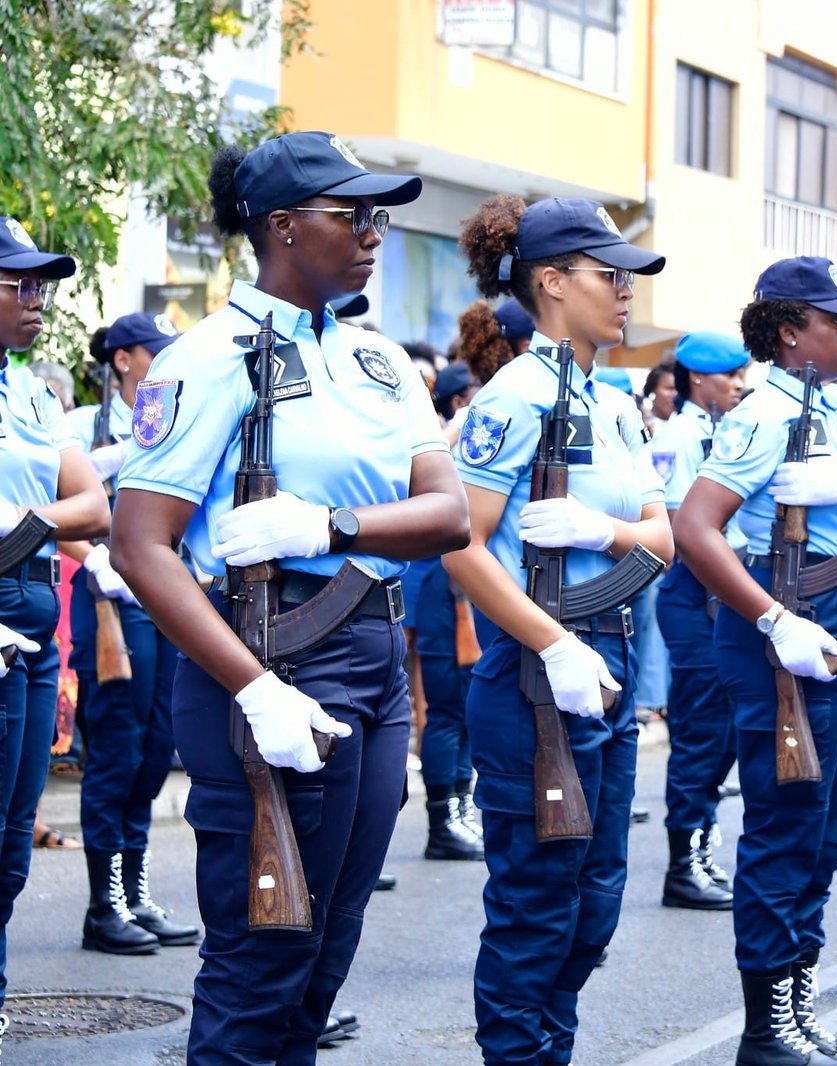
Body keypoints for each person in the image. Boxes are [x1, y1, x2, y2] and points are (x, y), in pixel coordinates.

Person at [110, 132, 470, 1062]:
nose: (372, 232)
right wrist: (252, 689)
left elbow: (449, 515)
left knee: (324, 956)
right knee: (259, 959)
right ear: (281, 227)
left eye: (377, 215)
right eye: (351, 214)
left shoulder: (379, 360)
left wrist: (330, 527)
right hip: (271, 659)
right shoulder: (209, 357)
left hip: (375, 661)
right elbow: (141, 548)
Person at [676, 256, 837, 1066]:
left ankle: (797, 1005)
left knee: (825, 830)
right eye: (834, 322)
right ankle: (766, 1028)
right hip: (789, 630)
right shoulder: (762, 417)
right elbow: (696, 527)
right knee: (786, 828)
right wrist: (772, 617)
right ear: (790, 333)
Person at [444, 193, 671, 1065]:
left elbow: (664, 539)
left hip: (604, 658)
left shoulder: (614, 406)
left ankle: (553, 1047)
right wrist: (550, 641)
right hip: (540, 669)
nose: (624, 294)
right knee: (538, 902)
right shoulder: (514, 399)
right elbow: (460, 547)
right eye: (608, 276)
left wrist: (603, 533)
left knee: (596, 898)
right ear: (551, 282)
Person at [61, 314, 199, 954]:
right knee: (116, 748)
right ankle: (103, 902)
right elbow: (50, 505)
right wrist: (90, 552)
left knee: (156, 746)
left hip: (163, 597)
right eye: (154, 354)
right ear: (122, 360)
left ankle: (136, 890)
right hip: (110, 606)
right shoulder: (82, 428)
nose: (164, 365)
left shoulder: (172, 420)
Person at [0, 217, 110, 1017]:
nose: (38, 298)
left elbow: (94, 506)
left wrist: (27, 518)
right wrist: (48, 515)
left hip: (36, 603)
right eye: (21, 283)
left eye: (42, 284)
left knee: (13, 842)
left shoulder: (31, 388)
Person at [649, 331, 749, 910]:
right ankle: (684, 863)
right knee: (700, 732)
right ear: (696, 380)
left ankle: (702, 843)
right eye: (727, 376)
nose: (738, 385)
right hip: (695, 597)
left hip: (724, 594)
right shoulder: (679, 437)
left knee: (726, 734)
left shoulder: (722, 430)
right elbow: (678, 525)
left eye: (740, 375)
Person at [408, 349, 485, 863]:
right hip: (440, 591)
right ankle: (443, 819)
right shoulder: (440, 442)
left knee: (460, 711)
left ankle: (459, 807)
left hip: (451, 590)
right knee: (447, 711)